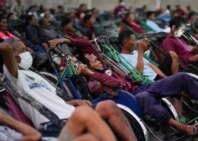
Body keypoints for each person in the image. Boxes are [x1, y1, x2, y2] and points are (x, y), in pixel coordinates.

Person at [48, 36, 198, 135]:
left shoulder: (103, 63)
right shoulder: (91, 81)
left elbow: (88, 46)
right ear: (87, 65)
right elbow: (114, 85)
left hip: (140, 87)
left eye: (93, 56)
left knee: (181, 77)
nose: (94, 57)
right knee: (146, 98)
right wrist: (91, 73)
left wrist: (67, 41)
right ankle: (178, 126)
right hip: (128, 98)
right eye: (91, 59)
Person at [0, 39, 137, 141]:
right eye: (24, 50)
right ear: (15, 58)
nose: (29, 51)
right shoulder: (13, 76)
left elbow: (53, 101)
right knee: (86, 116)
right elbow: (5, 47)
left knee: (108, 106)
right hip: (53, 126)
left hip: (71, 113)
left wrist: (77, 101)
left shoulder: (36, 75)